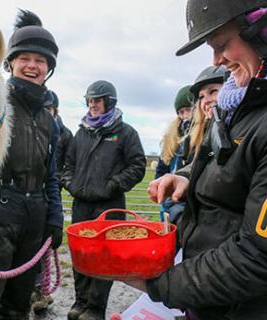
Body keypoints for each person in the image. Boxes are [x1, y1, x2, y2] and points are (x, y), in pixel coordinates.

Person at [129, 1, 267, 319]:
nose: (217, 61)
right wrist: (188, 176)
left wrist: (160, 286)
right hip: (212, 300)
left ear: (260, 32)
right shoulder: (237, 103)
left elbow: (258, 255)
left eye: (221, 45)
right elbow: (226, 159)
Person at [0, 9, 63, 320]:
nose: (32, 65)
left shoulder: (49, 120)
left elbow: (50, 173)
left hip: (36, 211)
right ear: (10, 63)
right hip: (0, 208)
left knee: (21, 297)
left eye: (40, 60)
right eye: (25, 58)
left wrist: (54, 217)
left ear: (48, 68)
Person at [62, 80, 146, 320]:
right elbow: (68, 164)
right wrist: (70, 183)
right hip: (81, 204)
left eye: (97, 100)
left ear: (109, 102)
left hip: (109, 206)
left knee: (104, 257)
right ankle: (80, 302)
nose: (92, 105)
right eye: (89, 100)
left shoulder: (126, 133)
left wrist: (113, 185)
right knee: (81, 253)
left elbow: (138, 165)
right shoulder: (81, 132)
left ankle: (95, 309)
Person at [30, 89, 74, 315]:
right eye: (44, 108)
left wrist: (61, 181)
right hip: (31, 193)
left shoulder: (64, 134)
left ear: (55, 110)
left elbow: (69, 161)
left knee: (44, 245)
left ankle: (40, 289)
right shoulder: (31, 127)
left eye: (50, 108)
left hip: (50, 191)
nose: (47, 112)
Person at [155, 86, 194, 223]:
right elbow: (162, 168)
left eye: (188, 110)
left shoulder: (205, 136)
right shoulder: (171, 138)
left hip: (188, 206)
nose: (185, 116)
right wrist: (161, 191)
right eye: (181, 112)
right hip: (168, 204)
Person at [188, 66, 228, 157]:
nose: (205, 101)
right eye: (201, 97)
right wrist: (181, 172)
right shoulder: (204, 135)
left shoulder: (245, 127)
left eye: (213, 91)